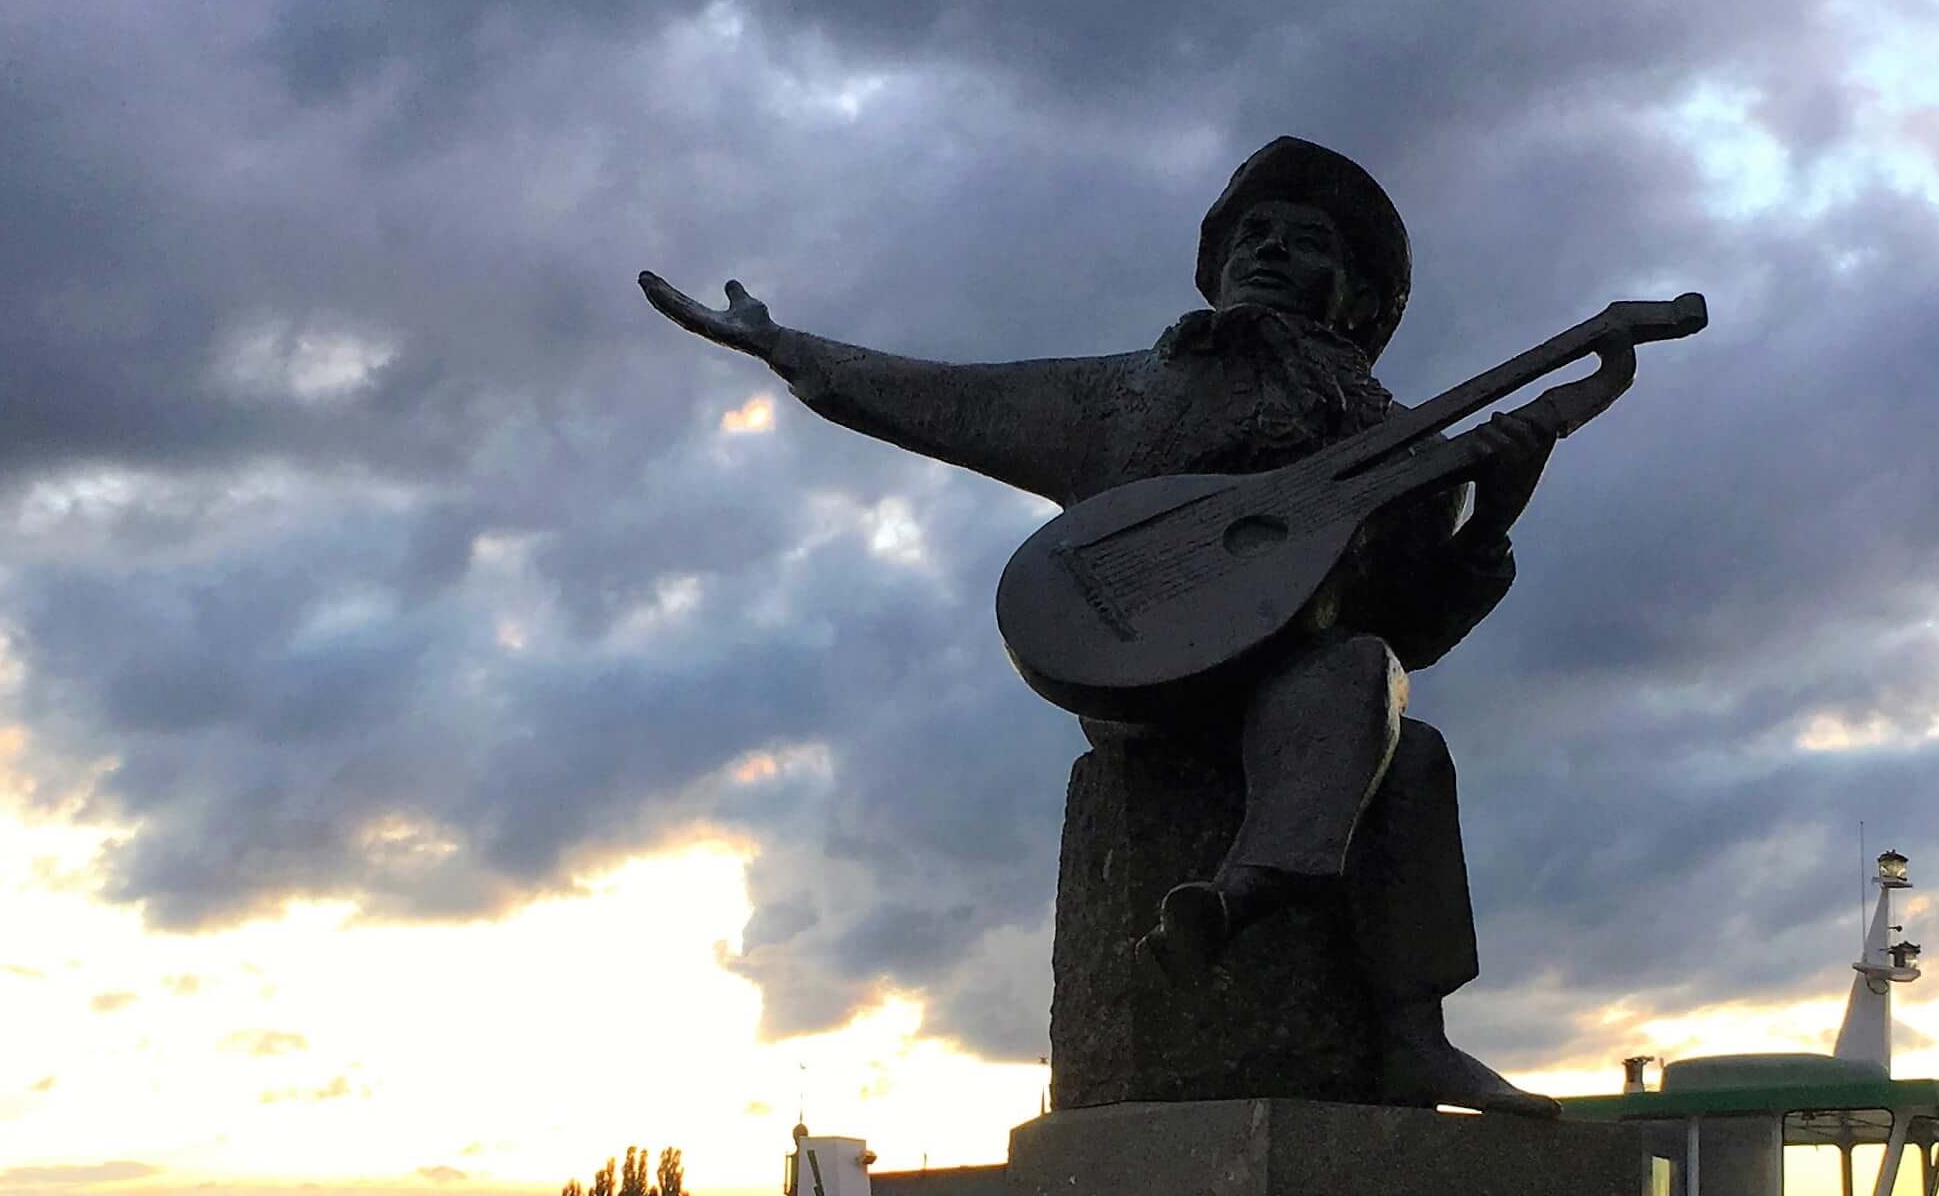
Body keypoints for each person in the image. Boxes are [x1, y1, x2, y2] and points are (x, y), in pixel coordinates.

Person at [642, 137, 1558, 1112]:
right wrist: (786, 347)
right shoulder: (1126, 390)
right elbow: (943, 396)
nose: (1270, 250)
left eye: (1307, 242)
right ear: (1212, 268)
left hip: (1304, 692)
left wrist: (1492, 514)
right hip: (1143, 682)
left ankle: (1395, 1023)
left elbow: (1407, 632)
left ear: (1362, 300)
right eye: (1251, 234)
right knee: (1361, 695)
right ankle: (1265, 892)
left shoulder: (1401, 442)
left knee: (1399, 742)